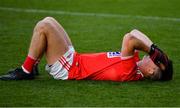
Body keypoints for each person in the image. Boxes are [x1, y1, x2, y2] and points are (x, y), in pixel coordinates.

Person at [0, 17, 173, 81]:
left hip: (70, 69)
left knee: (44, 26)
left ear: (151, 71)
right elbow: (134, 31)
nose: (152, 57)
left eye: (155, 61)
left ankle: (26, 70)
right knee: (50, 20)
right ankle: (34, 63)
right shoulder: (134, 62)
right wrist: (153, 49)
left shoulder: (130, 72)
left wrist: (152, 51)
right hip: (75, 60)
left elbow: (129, 38)